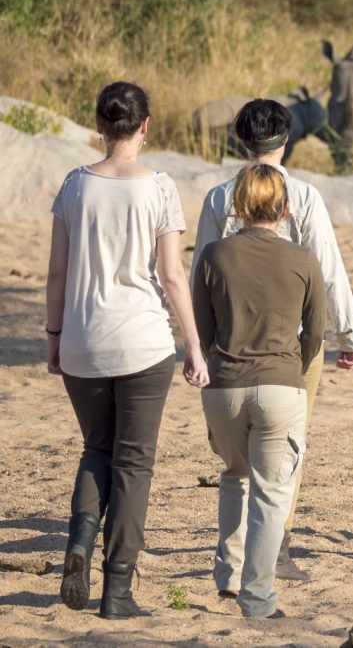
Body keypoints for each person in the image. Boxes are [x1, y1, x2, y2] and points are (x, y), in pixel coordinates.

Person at [46, 81, 210, 618]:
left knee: (96, 448)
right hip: (142, 343)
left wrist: (53, 336)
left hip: (82, 341)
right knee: (134, 463)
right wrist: (193, 344)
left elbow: (57, 272)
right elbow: (171, 275)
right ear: (145, 126)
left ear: (101, 126)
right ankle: (117, 591)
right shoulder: (159, 187)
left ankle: (78, 545)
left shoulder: (75, 186)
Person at [194, 98, 353, 581]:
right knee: (287, 445)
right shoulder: (304, 196)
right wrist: (346, 332)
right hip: (292, 342)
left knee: (236, 457)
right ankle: (278, 547)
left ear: (242, 140)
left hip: (228, 338)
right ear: (285, 142)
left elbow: (200, 272)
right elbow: (326, 268)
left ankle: (243, 550)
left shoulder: (218, 197)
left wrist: (196, 343)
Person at [192, 165, 326, 619]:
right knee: (272, 492)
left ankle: (228, 576)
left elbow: (203, 329)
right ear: (286, 210)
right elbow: (317, 332)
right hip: (281, 382)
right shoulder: (304, 258)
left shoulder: (213, 255)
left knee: (234, 475)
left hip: (224, 385)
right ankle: (259, 595)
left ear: (238, 206)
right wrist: (296, 366)